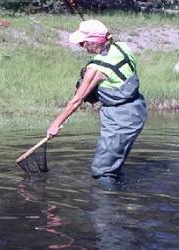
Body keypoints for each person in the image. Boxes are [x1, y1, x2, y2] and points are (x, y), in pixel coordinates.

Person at [47, 19, 147, 189]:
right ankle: (121, 194)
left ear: (95, 42)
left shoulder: (97, 68)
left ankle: (106, 210)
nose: (81, 45)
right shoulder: (122, 47)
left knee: (101, 170)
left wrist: (56, 124)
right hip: (137, 109)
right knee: (114, 164)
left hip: (120, 120)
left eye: (83, 42)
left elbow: (77, 100)